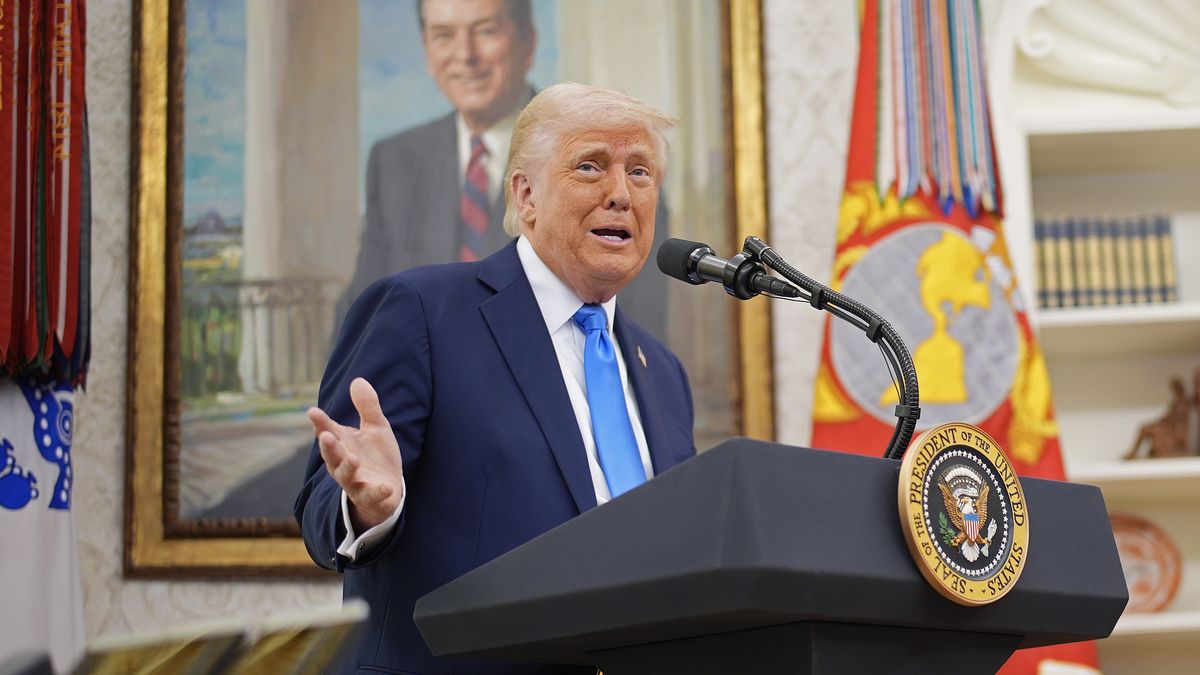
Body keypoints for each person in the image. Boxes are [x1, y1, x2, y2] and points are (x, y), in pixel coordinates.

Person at [295, 83, 697, 674]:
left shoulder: (662, 373)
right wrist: (370, 508)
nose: (620, 194)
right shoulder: (420, 312)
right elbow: (320, 511)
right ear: (525, 194)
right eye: (591, 166)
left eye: (640, 173)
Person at [338, 0, 669, 340]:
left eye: (486, 31)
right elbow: (363, 313)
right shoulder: (393, 160)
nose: (465, 54)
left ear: (527, 42)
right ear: (427, 50)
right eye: (444, 35)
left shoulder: (620, 169)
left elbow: (637, 335)